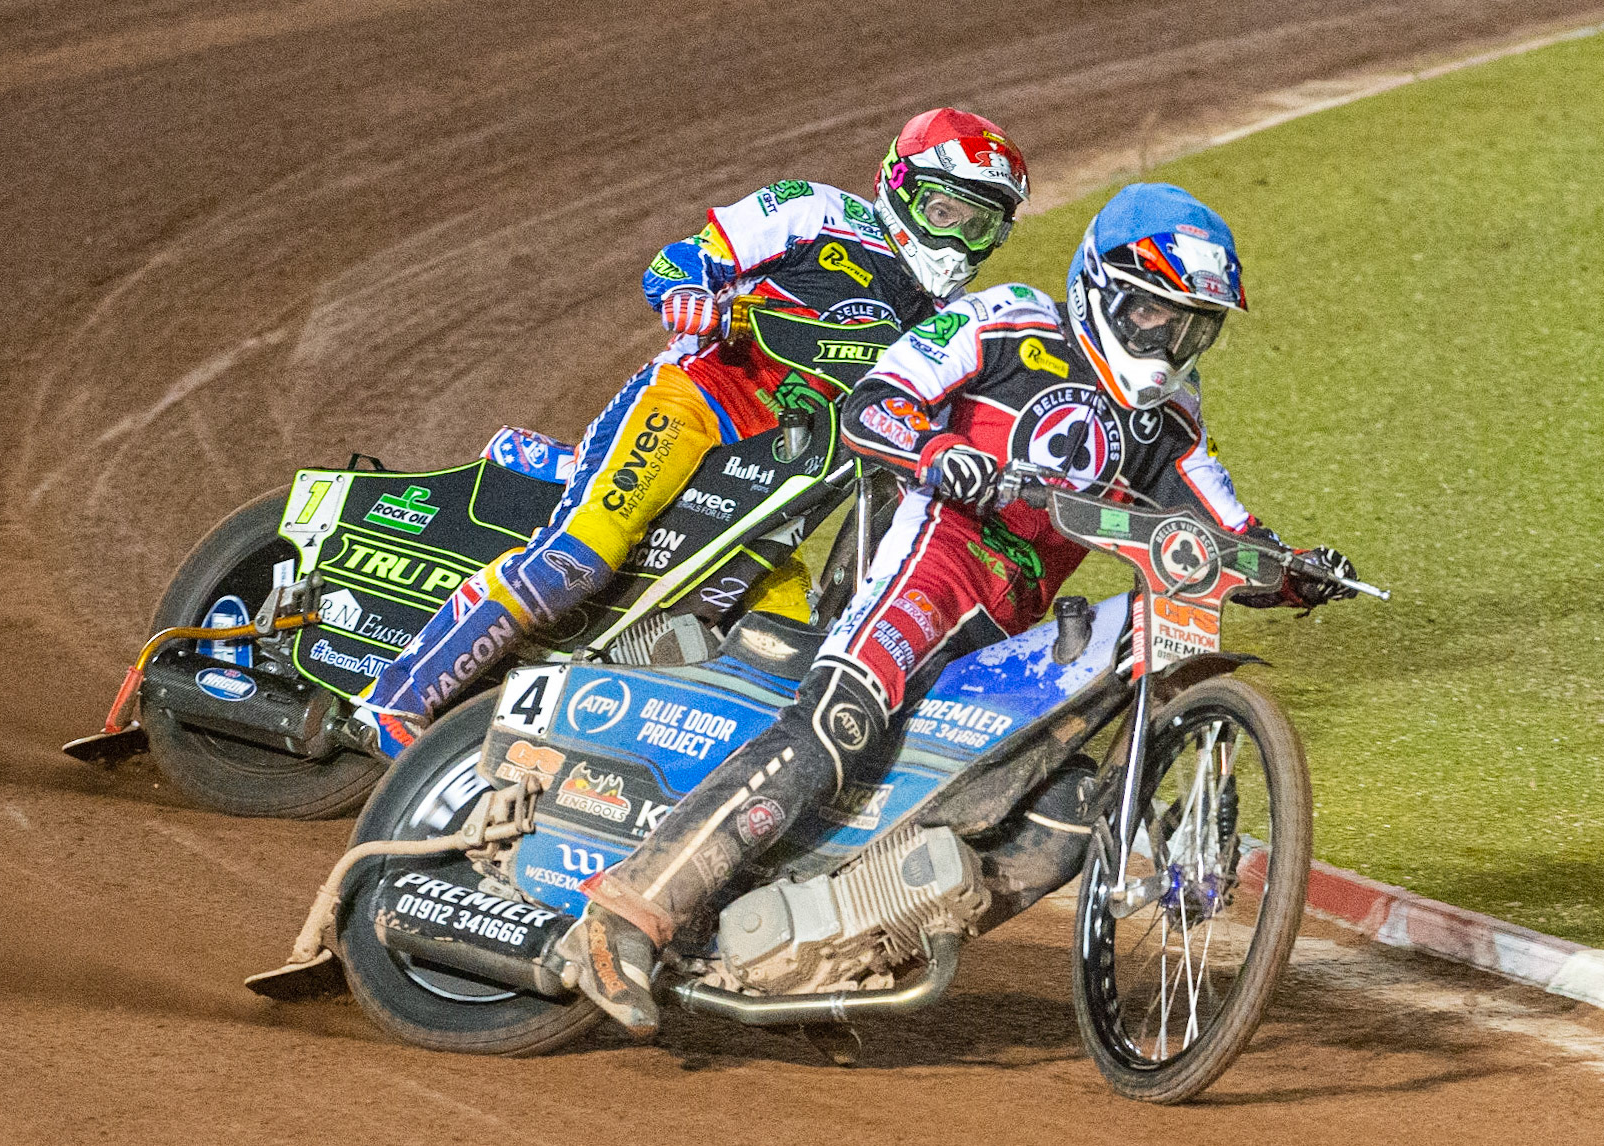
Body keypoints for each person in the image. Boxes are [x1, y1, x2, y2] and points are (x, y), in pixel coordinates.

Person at [564, 182, 1359, 1036]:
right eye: (1152, 315)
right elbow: (876, 402)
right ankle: (625, 916)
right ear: (1100, 288)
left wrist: (1293, 570)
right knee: (838, 722)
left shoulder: (1172, 417)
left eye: (1191, 327)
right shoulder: (1007, 319)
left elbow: (1222, 527)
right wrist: (938, 450)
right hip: (933, 563)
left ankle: (835, 953)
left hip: (1012, 622)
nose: (1167, 342)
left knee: (1063, 814)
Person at [354, 109, 1030, 757]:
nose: (955, 238)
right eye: (944, 211)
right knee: (581, 555)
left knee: (784, 643)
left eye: (977, 224)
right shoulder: (815, 212)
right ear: (900, 186)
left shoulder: (948, 323)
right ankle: (395, 700)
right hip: (696, 403)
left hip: (790, 480)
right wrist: (689, 293)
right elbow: (683, 259)